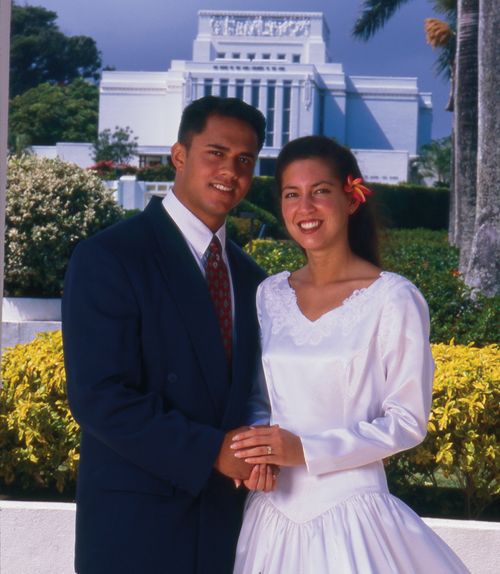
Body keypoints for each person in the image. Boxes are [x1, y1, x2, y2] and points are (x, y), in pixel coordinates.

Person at [231, 136, 469, 573]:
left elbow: (406, 421)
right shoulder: (269, 294)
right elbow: (260, 397)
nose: (305, 207)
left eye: (320, 191)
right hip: (271, 516)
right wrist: (257, 449)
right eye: (291, 194)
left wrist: (304, 450)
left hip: (354, 516)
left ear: (351, 197)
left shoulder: (394, 298)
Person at [62, 96, 271, 574]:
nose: (230, 171)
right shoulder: (111, 256)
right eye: (215, 153)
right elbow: (99, 396)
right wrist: (213, 452)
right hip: (136, 528)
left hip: (226, 528)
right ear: (179, 155)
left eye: (244, 160)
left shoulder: (251, 278)